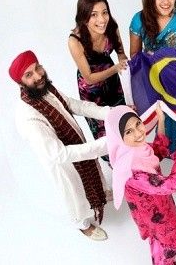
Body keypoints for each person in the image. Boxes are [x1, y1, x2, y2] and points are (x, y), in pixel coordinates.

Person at [9, 50, 111, 241]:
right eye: (29, 74)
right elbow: (59, 154)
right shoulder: (27, 116)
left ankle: (101, 194)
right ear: (20, 82)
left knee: (93, 176)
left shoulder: (46, 90)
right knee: (76, 198)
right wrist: (102, 146)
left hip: (79, 150)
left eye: (37, 67)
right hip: (64, 165)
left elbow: (73, 105)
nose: (38, 76)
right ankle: (83, 226)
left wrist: (109, 113)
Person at [105, 104, 176, 265]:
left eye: (138, 124)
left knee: (159, 239)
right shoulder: (132, 171)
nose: (139, 133)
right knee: (172, 242)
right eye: (128, 131)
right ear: (119, 137)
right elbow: (171, 184)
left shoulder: (134, 148)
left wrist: (160, 119)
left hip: (157, 204)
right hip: (155, 213)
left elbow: (158, 150)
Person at [129, 0, 176, 153]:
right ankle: (161, 144)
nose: (166, 1)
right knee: (159, 111)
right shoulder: (139, 19)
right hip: (150, 74)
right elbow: (134, 55)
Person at [68, 0, 128, 162]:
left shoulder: (111, 27)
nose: (102, 19)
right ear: (83, 17)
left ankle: (128, 153)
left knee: (122, 118)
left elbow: (121, 53)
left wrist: (125, 64)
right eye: (94, 15)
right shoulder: (75, 40)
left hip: (113, 83)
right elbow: (89, 78)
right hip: (92, 90)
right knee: (103, 128)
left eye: (104, 12)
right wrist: (116, 68)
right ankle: (114, 162)